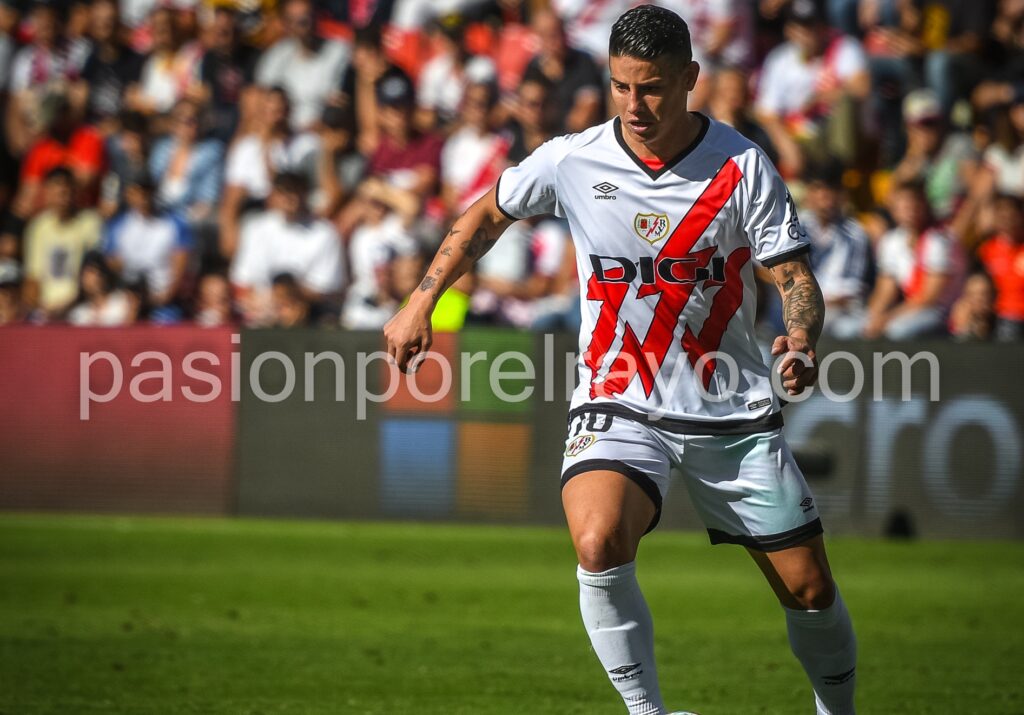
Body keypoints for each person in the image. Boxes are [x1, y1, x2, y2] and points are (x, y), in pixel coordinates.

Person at [385, 7, 856, 715]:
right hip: (618, 398)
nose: (635, 105)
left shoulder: (740, 165)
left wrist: (799, 335)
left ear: (690, 78)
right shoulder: (573, 159)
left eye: (653, 87)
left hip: (727, 407)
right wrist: (420, 300)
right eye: (621, 86)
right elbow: (484, 214)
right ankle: (648, 712)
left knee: (810, 589)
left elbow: (793, 278)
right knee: (597, 539)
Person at [862, 180, 965, 339]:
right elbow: (885, 290)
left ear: (924, 207)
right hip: (909, 308)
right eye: (904, 206)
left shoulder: (938, 240)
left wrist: (887, 318)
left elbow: (929, 298)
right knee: (855, 327)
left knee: (897, 331)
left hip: (941, 311)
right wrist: (874, 316)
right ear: (894, 210)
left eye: (914, 206)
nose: (910, 211)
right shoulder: (891, 241)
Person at [101, 171, 193, 321]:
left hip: (162, 300)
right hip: (126, 297)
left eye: (146, 192)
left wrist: (164, 295)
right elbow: (111, 262)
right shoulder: (117, 226)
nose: (142, 198)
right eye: (136, 192)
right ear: (128, 194)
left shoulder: (174, 223)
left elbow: (180, 262)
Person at [22, 166, 102, 320]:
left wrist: (69, 305)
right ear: (47, 193)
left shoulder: (90, 222)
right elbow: (32, 278)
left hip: (80, 306)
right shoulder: (38, 227)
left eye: (66, 192)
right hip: (45, 308)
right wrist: (41, 308)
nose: (62, 198)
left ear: (75, 192)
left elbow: (93, 275)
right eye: (57, 192)